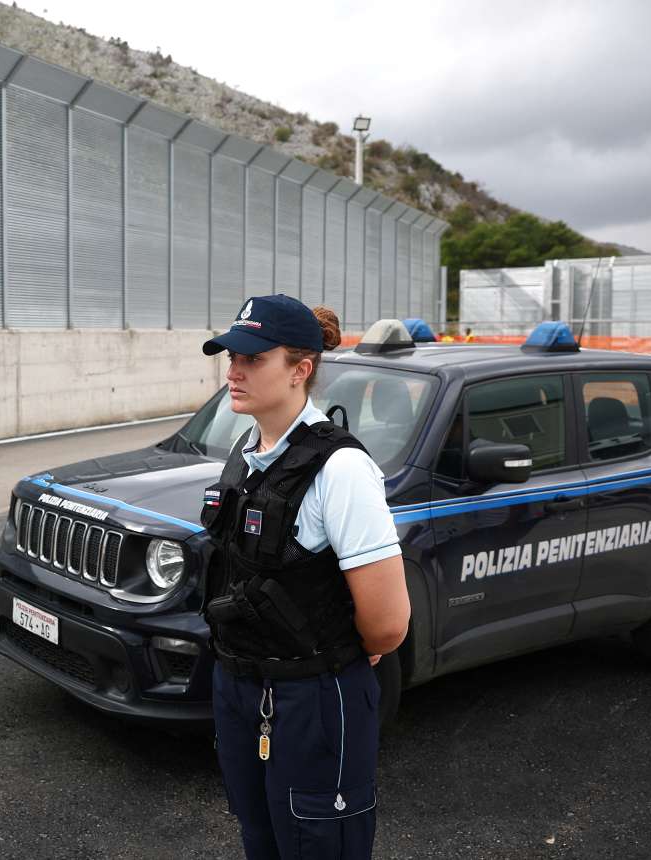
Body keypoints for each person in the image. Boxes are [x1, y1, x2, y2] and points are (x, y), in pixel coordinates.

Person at [199, 294, 410, 860]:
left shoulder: (341, 469)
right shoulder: (248, 453)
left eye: (252, 358)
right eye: (230, 356)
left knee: (318, 845)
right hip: (242, 687)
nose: (233, 370)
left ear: (301, 369)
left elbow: (389, 624)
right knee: (261, 836)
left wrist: (337, 653)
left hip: (313, 696)